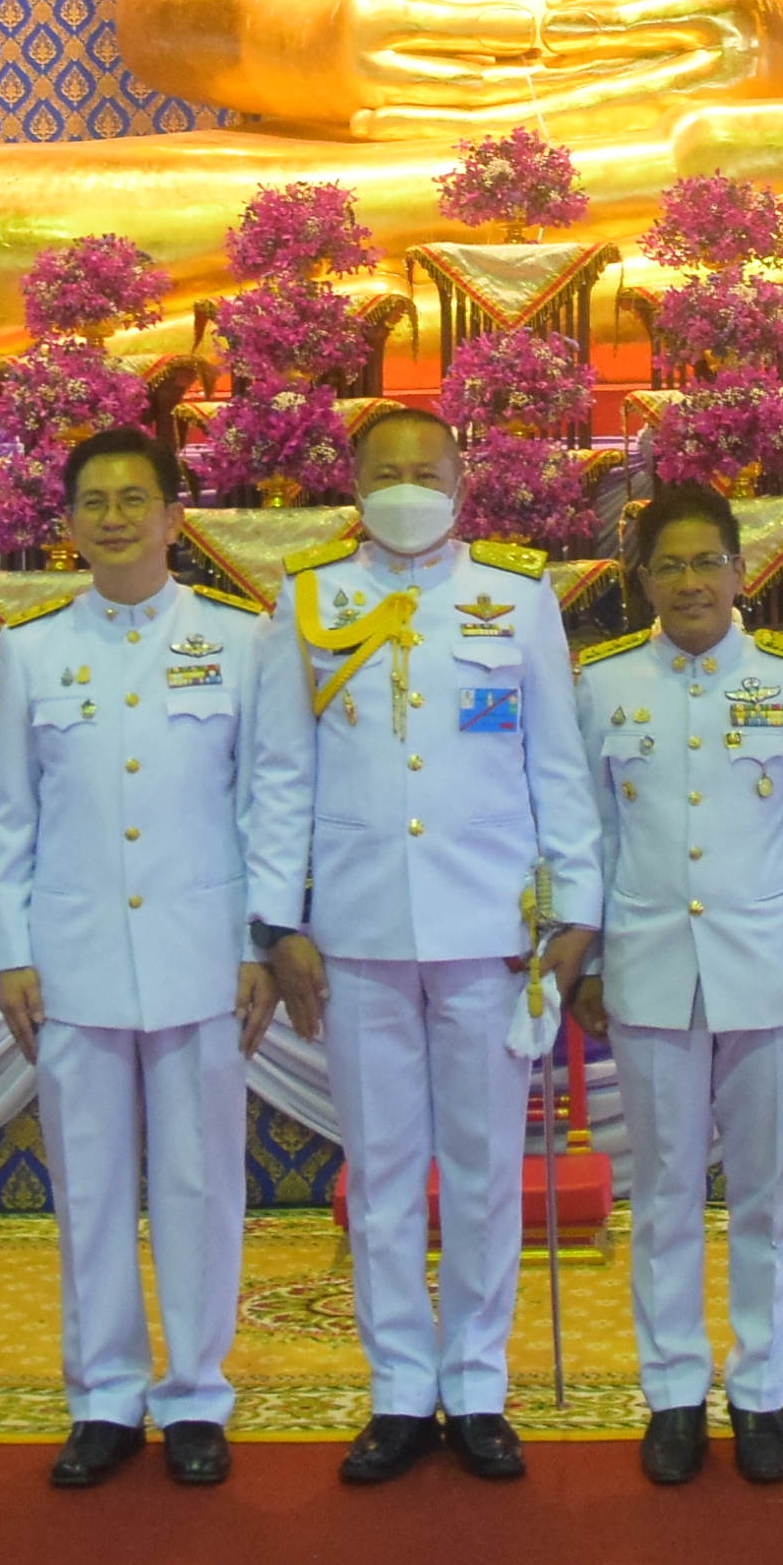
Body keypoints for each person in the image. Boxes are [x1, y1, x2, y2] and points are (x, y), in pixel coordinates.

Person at [247, 406, 605, 1485]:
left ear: (462, 480)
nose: (406, 487)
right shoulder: (308, 601)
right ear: (351, 481)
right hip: (356, 934)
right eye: (384, 470)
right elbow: (278, 775)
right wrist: (277, 923)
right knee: (386, 1171)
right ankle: (400, 1388)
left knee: (488, 1169)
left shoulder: (513, 594)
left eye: (426, 470)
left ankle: (479, 1386)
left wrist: (573, 912)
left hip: (490, 932)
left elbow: (556, 765)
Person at [0, 425, 277, 1490]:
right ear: (66, 525)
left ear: (173, 516)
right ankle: (103, 1396)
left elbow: (262, 805)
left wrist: (260, 938)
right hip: (72, 962)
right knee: (92, 1186)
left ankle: (196, 1393)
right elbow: (8, 820)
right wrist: (9, 952)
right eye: (92, 502)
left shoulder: (240, 642)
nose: (112, 518)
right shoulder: (30, 651)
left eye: (133, 499)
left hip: (202, 952)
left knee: (199, 1180)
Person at [571, 479, 783, 1487]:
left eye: (707, 562)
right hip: (648, 974)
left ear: (743, 571)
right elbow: (592, 839)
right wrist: (592, 960)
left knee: (770, 1197)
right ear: (639, 579)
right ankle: (674, 1392)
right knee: (663, 1194)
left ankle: (762, 1390)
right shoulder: (602, 687)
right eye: (669, 565)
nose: (690, 582)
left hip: (771, 973)